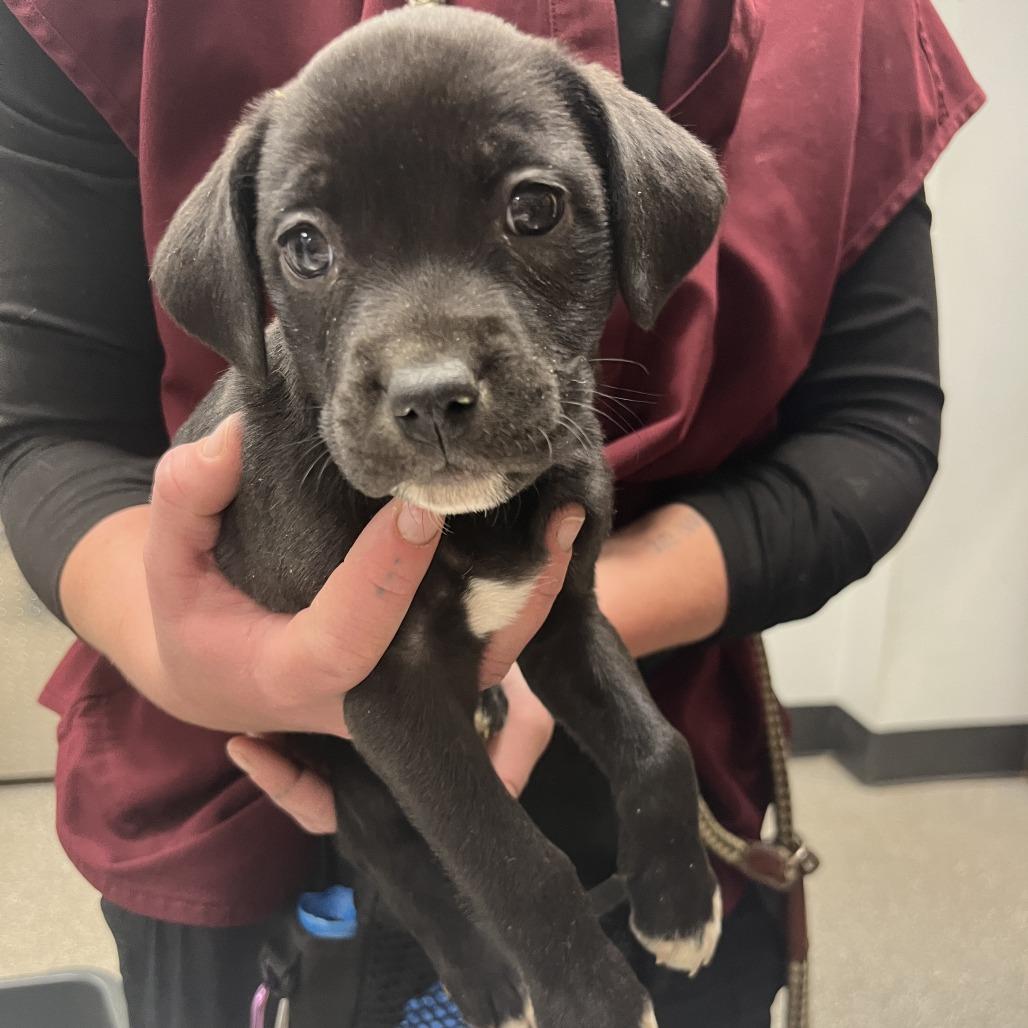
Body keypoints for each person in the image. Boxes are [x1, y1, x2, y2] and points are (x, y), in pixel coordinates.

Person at [0, 0, 983, 1025]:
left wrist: (555, 641)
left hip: (672, 769)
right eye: (308, 244)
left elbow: (871, 429)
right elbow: (38, 426)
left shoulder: (842, 23)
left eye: (530, 211)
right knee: (378, 822)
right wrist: (187, 651)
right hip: (227, 809)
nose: (425, 370)